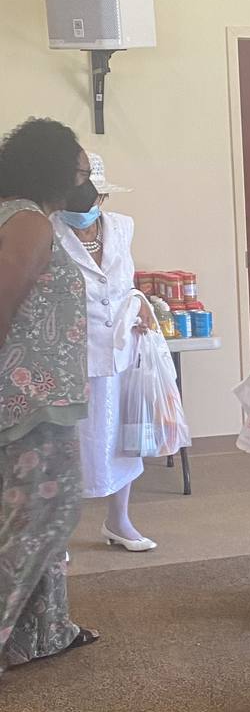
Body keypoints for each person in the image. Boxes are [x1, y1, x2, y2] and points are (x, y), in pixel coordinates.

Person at [0, 119, 99, 673]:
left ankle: (44, 631)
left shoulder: (22, 216)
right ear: (54, 171)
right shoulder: (28, 222)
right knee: (37, 523)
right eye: (82, 171)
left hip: (37, 397)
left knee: (39, 520)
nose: (87, 182)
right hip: (29, 401)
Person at [53, 152, 157, 552]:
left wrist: (140, 301)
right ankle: (58, 533)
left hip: (119, 351)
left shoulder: (122, 227)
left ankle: (118, 520)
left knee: (120, 438)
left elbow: (124, 282)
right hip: (70, 357)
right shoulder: (47, 230)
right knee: (69, 445)